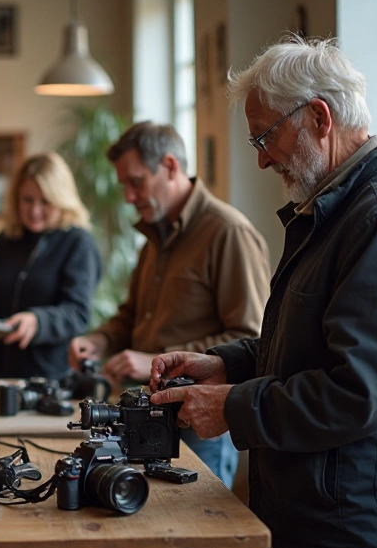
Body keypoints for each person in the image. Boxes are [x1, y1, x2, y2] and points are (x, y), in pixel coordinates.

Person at [149, 35, 377, 548]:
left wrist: (233, 408)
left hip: (361, 532)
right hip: (328, 518)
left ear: (319, 117)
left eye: (265, 137)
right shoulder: (338, 212)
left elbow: (360, 392)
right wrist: (223, 364)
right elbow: (307, 347)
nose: (264, 162)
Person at [68, 121, 270, 489]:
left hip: (199, 424)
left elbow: (251, 336)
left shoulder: (228, 232)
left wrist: (156, 358)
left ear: (171, 166)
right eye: (124, 185)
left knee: (198, 535)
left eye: (136, 181)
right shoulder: (154, 238)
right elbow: (132, 314)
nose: (128, 196)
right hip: (149, 418)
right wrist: (98, 340)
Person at [0, 152, 101, 381]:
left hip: (49, 375)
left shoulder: (78, 242)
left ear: (62, 201)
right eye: (27, 200)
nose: (34, 210)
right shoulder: (6, 239)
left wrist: (38, 321)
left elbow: (77, 312)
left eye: (46, 202)